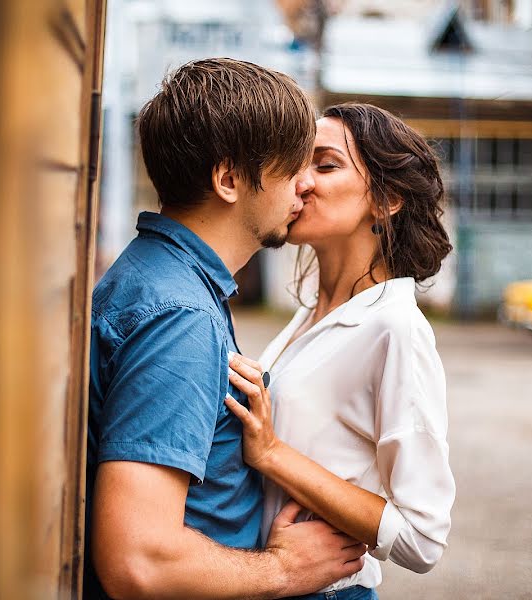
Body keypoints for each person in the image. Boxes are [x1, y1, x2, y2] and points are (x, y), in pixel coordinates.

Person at [85, 60, 368, 600]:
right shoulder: (179, 317)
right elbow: (137, 561)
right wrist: (285, 571)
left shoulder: (159, 276)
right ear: (230, 180)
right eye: (292, 169)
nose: (306, 186)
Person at [226, 103, 457, 600]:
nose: (300, 182)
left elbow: (423, 537)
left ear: (387, 199)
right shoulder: (311, 310)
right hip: (273, 580)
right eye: (297, 163)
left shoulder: (396, 328)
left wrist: (273, 454)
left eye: (325, 165)